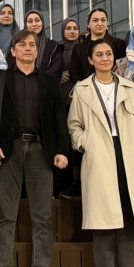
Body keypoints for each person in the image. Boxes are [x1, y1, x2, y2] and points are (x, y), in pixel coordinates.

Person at [68, 39, 134, 267]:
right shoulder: (82, 90)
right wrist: (85, 143)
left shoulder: (129, 87)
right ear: (91, 60)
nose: (105, 58)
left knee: (128, 225)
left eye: (108, 54)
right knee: (103, 228)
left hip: (128, 155)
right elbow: (74, 125)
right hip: (98, 156)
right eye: (99, 55)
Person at [0, 29, 70, 267]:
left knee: (43, 218)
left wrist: (61, 151)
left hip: (41, 152)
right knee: (6, 216)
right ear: (13, 51)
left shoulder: (49, 81)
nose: (28, 48)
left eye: (32, 44)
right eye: (22, 44)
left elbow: (59, 119)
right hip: (8, 151)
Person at [56, 17, 80, 198]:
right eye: (68, 28)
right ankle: (62, 184)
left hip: (77, 100)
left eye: (75, 28)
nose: (72, 31)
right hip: (61, 99)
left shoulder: (83, 49)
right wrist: (59, 74)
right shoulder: (57, 49)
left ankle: (77, 184)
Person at [71, 8, 127, 83]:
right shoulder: (78, 48)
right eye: (95, 20)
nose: (100, 23)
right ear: (88, 24)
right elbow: (74, 73)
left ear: (107, 23)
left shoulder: (119, 44)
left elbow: (123, 69)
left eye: (103, 20)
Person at [21, 10, 64, 76]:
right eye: (30, 21)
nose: (34, 24)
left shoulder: (54, 47)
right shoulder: (18, 46)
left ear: (42, 23)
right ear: (25, 24)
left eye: (37, 20)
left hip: (45, 82)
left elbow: (55, 72)